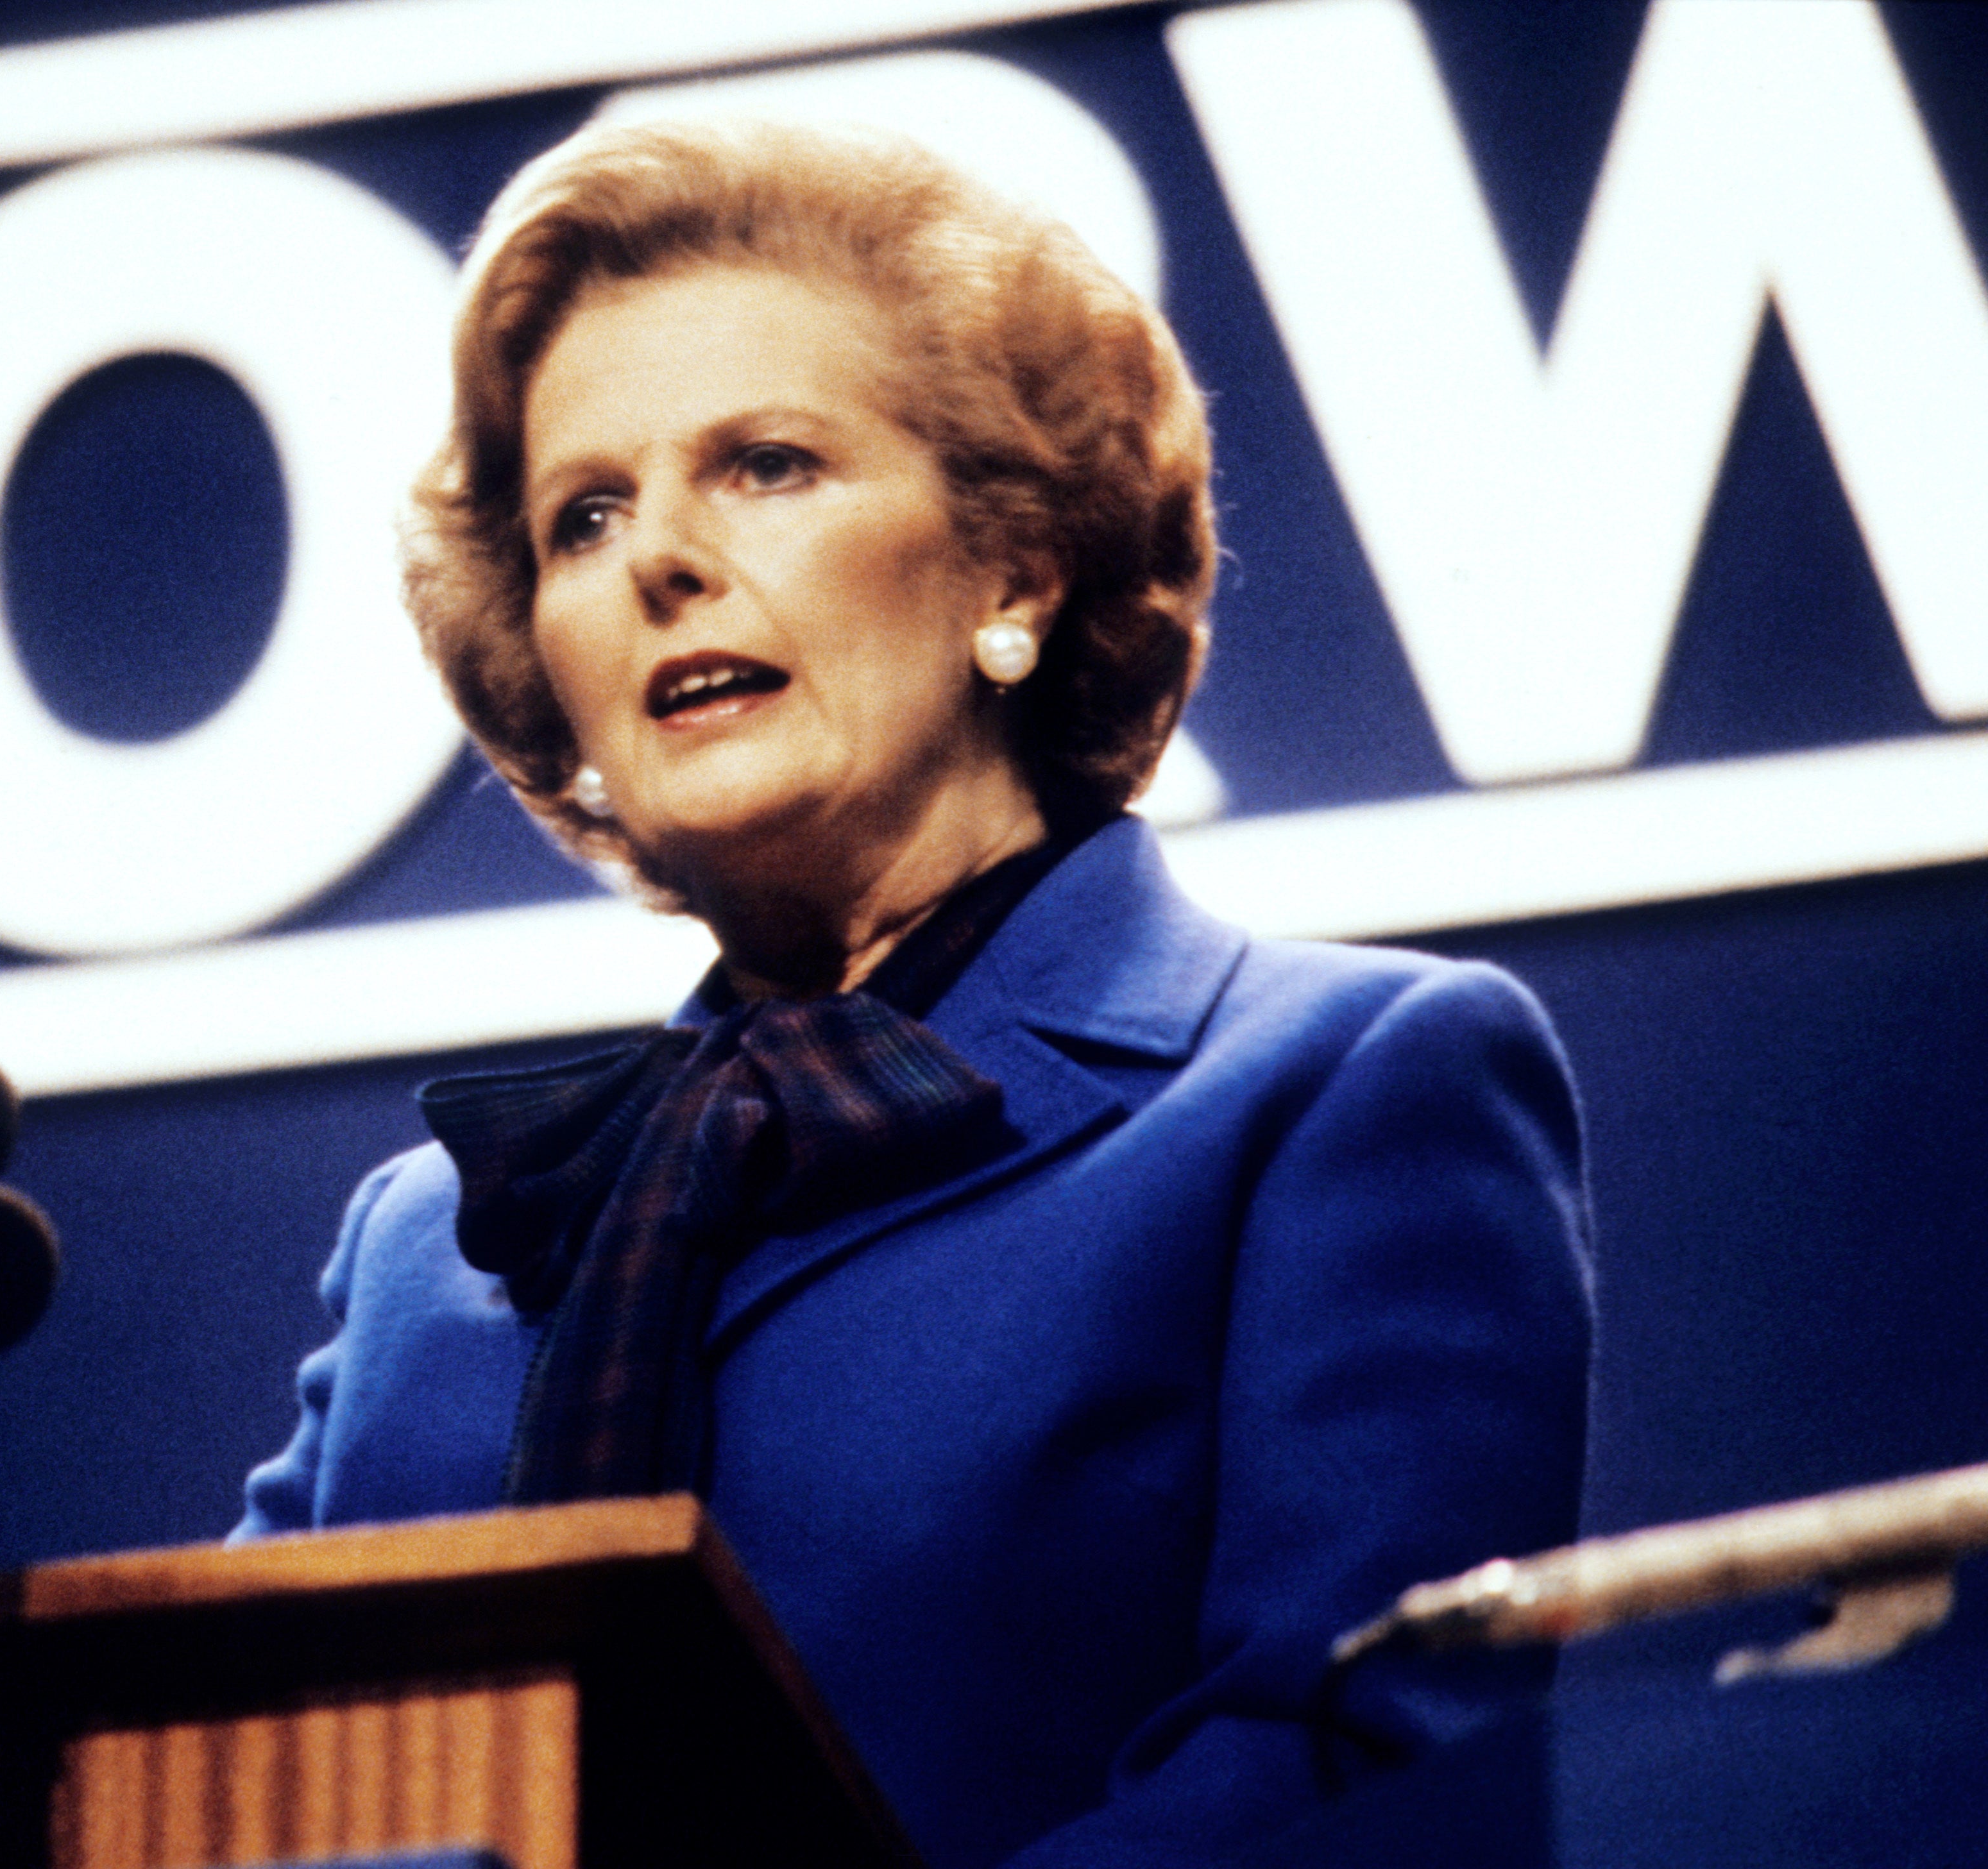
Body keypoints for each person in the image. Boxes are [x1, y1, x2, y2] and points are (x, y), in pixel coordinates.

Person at [238, 117, 1592, 1869]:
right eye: (585, 514)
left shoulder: (1338, 1093)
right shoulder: (427, 1251)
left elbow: (1356, 1783)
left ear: (1014, 572)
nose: (657, 554)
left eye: (768, 466)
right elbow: (225, 1789)